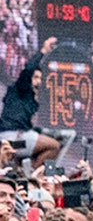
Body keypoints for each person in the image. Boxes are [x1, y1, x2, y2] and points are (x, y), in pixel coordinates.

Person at [0, 36, 61, 165]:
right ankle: (32, 176)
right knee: (54, 146)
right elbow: (28, 69)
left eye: (40, 78)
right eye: (35, 77)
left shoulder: (30, 98)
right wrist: (43, 51)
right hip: (14, 139)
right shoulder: (21, 88)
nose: (38, 81)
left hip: (18, 138)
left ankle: (26, 173)